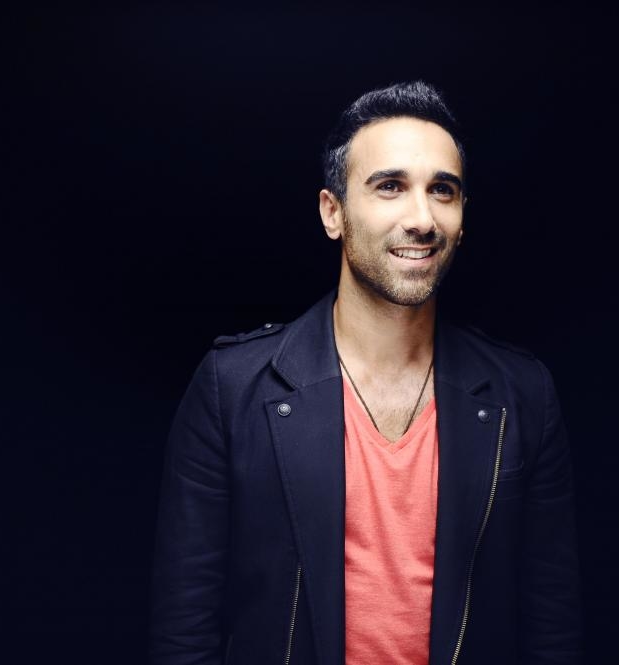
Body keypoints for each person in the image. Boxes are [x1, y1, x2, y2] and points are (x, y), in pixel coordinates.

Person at [150, 81, 581, 665]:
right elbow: (184, 632)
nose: (422, 218)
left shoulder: (522, 394)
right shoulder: (233, 387)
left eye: (442, 190)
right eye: (390, 187)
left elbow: (551, 629)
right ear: (333, 212)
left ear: (462, 217)